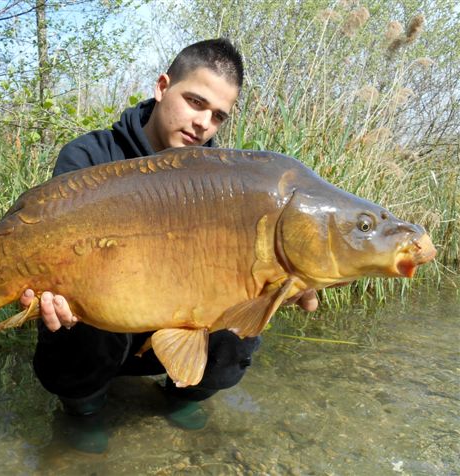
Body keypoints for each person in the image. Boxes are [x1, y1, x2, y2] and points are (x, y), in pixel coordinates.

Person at [20, 38, 318, 452]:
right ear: (162, 87)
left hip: (178, 328)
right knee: (83, 316)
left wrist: (279, 283)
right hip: (102, 325)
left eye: (218, 116)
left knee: (238, 328)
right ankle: (83, 405)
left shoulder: (228, 184)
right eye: (195, 102)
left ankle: (183, 394)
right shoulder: (88, 156)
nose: (203, 124)